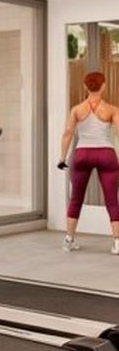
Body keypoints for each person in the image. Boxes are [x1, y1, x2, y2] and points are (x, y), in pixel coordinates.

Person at [57, 71, 119, 253]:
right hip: (106, 154)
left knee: (76, 198)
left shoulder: (77, 109)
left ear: (86, 86)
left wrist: (62, 158)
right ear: (104, 86)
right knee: (112, 201)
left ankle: (69, 240)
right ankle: (117, 243)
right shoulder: (112, 110)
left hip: (82, 154)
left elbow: (67, 133)